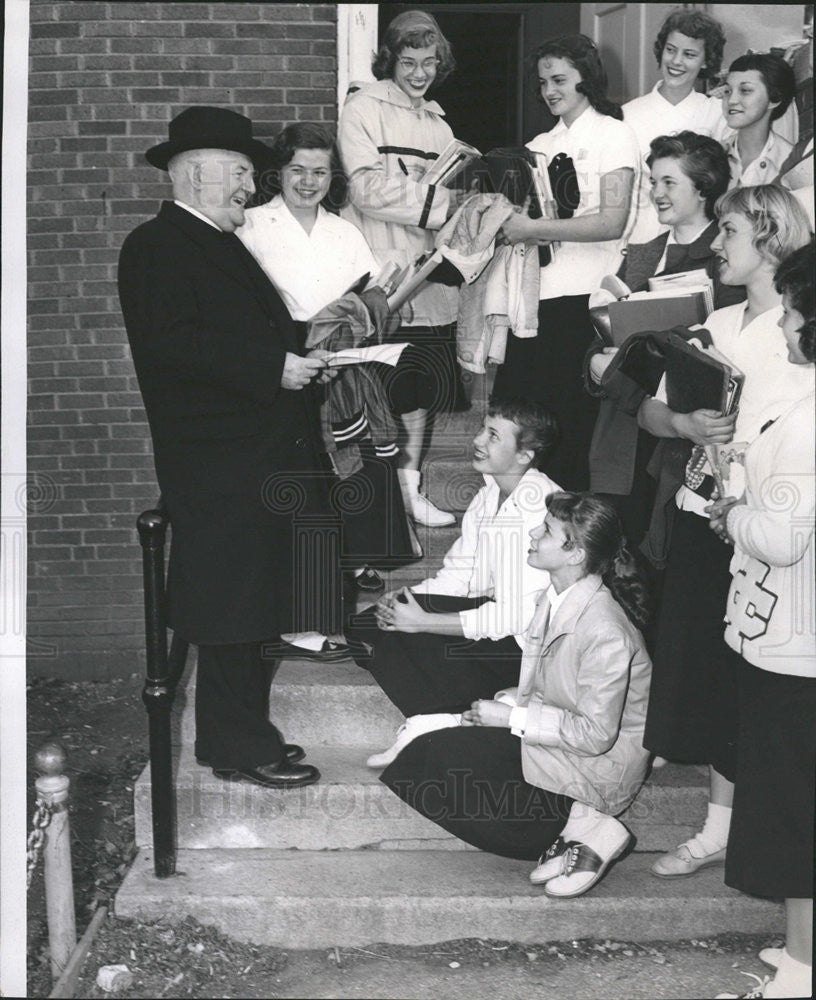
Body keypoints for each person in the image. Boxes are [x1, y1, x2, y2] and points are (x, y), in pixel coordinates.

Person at [117, 106, 339, 791]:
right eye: (240, 171)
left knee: (252, 604)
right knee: (230, 608)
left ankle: (243, 735)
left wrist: (309, 335)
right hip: (218, 465)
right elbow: (173, 345)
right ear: (196, 174)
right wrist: (273, 366)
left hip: (252, 458)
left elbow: (234, 334)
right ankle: (235, 747)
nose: (251, 183)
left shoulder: (212, 240)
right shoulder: (156, 246)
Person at [635, 185, 812, 878]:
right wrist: (684, 425)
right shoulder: (718, 323)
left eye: (730, 230)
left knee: (761, 691)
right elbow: (653, 412)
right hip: (703, 518)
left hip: (771, 533)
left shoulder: (801, 333)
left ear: (770, 235)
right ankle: (717, 826)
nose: (716, 245)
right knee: (708, 674)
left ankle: (766, 842)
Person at [380, 492, 652, 899]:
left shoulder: (604, 629)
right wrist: (512, 700)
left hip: (596, 769)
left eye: (545, 531)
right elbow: (554, 688)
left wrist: (510, 718)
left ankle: (586, 824)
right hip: (563, 745)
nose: (533, 533)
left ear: (574, 553)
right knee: (431, 748)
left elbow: (596, 735)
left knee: (442, 757)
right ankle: (571, 828)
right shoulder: (557, 596)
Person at [238, 122, 417, 595]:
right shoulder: (252, 226)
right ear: (278, 172)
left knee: (354, 458)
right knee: (307, 465)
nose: (308, 181)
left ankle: (358, 558)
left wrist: (377, 303)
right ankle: (309, 572)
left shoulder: (344, 232)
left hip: (344, 360)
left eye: (319, 172)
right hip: (288, 357)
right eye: (297, 169)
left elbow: (374, 291)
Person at [707, 242, 815, 1000]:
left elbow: (781, 538)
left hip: (795, 643)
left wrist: (732, 511)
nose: (786, 326)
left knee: (790, 809)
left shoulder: (810, 422)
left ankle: (803, 969)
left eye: (796, 313)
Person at [348, 397, 561, 768]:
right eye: (482, 428)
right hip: (499, 622)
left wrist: (423, 621)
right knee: (366, 627)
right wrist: (407, 599)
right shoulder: (488, 494)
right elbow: (461, 575)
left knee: (403, 638)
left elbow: (513, 618)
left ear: (524, 454)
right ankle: (445, 712)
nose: (479, 440)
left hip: (533, 652)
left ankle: (435, 721)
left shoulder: (539, 508)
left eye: (494, 436)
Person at [337, 9, 470, 529]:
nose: (419, 73)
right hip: (380, 273)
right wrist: (445, 201)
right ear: (389, 58)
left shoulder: (439, 122)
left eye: (429, 63)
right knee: (377, 393)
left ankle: (411, 495)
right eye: (409, 61)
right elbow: (366, 189)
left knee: (419, 394)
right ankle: (379, 508)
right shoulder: (363, 108)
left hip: (429, 274)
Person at [585, 131, 745, 553]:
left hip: (681, 440)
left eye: (668, 182)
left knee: (664, 560)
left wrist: (618, 369)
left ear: (703, 186)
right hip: (621, 435)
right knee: (616, 555)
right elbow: (596, 345)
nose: (656, 192)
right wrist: (596, 365)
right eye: (652, 181)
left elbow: (717, 356)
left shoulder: (725, 258)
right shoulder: (639, 255)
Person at [493, 33, 639, 492]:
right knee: (522, 420)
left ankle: (569, 536)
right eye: (542, 82)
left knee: (570, 425)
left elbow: (611, 221)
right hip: (535, 299)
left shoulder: (614, 135)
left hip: (584, 299)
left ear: (586, 79)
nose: (549, 90)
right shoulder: (537, 143)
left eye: (559, 79)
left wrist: (533, 228)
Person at [622, 9, 728, 244]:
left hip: (700, 242)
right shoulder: (627, 115)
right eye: (671, 50)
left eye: (689, 54)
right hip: (641, 238)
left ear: (706, 61)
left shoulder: (717, 113)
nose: (677, 61)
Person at [721, 52, 796, 188]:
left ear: (775, 99)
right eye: (727, 91)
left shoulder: (793, 163)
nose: (731, 100)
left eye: (745, 90)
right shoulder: (712, 155)